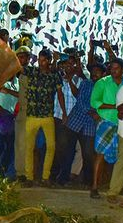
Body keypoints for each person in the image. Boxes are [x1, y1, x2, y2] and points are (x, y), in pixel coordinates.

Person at [23, 48, 65, 185]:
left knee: (51, 146)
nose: (41, 63)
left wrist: (64, 112)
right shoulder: (32, 71)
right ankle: (29, 177)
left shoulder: (55, 75)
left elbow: (60, 94)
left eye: (44, 60)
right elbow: (18, 67)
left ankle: (45, 177)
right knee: (29, 147)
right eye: (40, 60)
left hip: (47, 115)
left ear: (49, 61)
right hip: (32, 115)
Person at [60, 60, 104, 189]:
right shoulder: (86, 83)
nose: (95, 74)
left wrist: (97, 111)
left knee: (88, 155)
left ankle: (87, 181)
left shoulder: (104, 87)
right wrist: (95, 112)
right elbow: (81, 100)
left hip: (88, 125)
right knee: (68, 151)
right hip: (76, 121)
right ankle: (63, 178)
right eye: (93, 71)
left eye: (98, 72)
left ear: (103, 74)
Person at [90, 58, 123, 198]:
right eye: (111, 68)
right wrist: (115, 107)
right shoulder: (103, 82)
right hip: (106, 122)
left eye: (116, 68)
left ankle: (115, 187)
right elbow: (94, 102)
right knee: (100, 155)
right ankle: (94, 186)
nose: (113, 71)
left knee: (120, 157)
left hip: (122, 124)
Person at [51, 55, 81, 185]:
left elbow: (78, 96)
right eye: (66, 64)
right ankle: (56, 174)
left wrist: (70, 81)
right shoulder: (58, 79)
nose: (68, 66)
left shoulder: (79, 80)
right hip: (59, 116)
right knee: (60, 147)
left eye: (71, 64)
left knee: (70, 148)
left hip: (73, 119)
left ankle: (63, 177)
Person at [13, 46, 31, 180]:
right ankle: (17, 171)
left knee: (23, 143)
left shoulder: (30, 74)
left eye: (24, 57)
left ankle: (23, 173)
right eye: (19, 57)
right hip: (11, 113)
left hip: (25, 112)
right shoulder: (12, 73)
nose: (21, 59)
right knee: (17, 144)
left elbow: (23, 95)